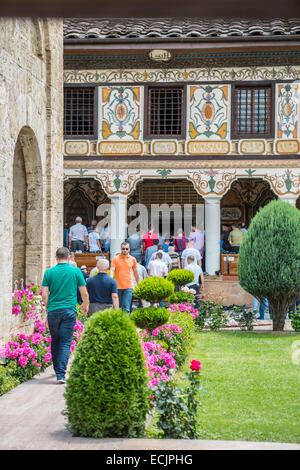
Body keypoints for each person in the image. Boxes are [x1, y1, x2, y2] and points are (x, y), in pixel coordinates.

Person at [41, 247, 89, 384]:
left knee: (55, 340)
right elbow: (84, 293)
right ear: (69, 257)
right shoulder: (76, 272)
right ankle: (61, 374)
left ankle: (57, 370)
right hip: (68, 310)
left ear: (56, 258)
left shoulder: (49, 272)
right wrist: (85, 305)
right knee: (65, 341)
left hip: (53, 311)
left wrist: (48, 307)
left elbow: (44, 294)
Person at [110, 242, 139, 314]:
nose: (125, 250)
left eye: (127, 249)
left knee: (126, 308)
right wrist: (110, 279)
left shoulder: (133, 259)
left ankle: (126, 324)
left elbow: (135, 272)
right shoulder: (115, 258)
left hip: (128, 287)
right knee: (117, 308)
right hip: (117, 287)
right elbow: (112, 269)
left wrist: (139, 283)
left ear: (129, 249)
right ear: (121, 249)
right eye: (123, 249)